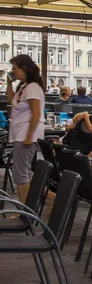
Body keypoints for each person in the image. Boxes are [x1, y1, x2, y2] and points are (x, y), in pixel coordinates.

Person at [6, 54, 45, 202]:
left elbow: (36, 113)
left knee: (20, 174)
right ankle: (49, 199)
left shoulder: (32, 87)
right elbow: (11, 100)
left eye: (14, 68)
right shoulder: (24, 86)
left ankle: (26, 209)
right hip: (20, 134)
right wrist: (9, 83)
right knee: (22, 173)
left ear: (24, 69)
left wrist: (29, 136)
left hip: (25, 135)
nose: (13, 71)